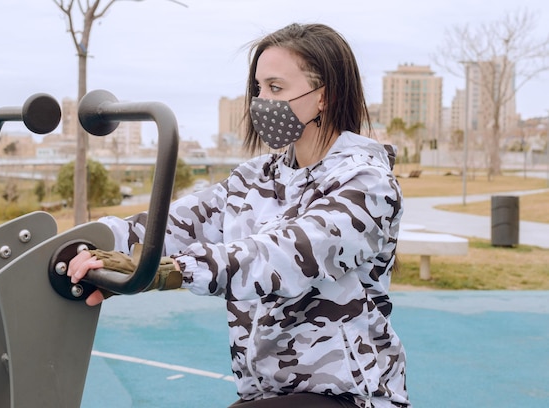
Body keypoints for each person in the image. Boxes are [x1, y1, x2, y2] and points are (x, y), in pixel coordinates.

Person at [69, 23, 410, 408]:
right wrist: (86, 246)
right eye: (258, 88)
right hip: (267, 394)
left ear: (323, 98)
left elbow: (289, 253)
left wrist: (172, 270)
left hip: (348, 396)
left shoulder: (367, 183)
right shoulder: (254, 179)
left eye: (276, 88)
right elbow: (173, 225)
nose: (261, 101)